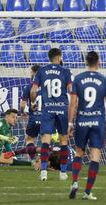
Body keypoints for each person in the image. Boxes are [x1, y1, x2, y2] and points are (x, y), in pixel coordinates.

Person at [68, 51, 106, 200]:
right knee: (95, 157)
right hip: (97, 122)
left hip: (82, 121)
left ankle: (74, 182)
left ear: (86, 62)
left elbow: (73, 104)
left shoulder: (78, 79)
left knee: (79, 153)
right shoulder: (104, 80)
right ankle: (87, 192)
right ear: (98, 62)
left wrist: (70, 123)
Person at [30, 48, 73, 181]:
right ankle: (63, 173)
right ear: (59, 57)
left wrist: (32, 102)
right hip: (62, 109)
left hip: (47, 109)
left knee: (45, 141)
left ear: (49, 58)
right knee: (63, 141)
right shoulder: (65, 71)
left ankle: (43, 172)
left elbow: (33, 91)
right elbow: (71, 90)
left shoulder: (42, 71)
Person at [16, 65, 41, 160]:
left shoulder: (29, 87)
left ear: (34, 73)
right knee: (46, 141)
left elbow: (22, 105)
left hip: (34, 118)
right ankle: (45, 162)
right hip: (47, 118)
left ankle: (34, 160)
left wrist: (22, 112)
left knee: (30, 139)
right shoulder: (48, 87)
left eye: (31, 72)